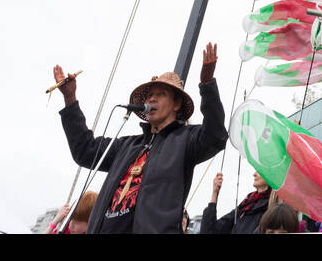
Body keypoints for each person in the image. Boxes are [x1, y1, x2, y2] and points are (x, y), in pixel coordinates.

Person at [54, 43, 225, 234]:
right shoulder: (126, 145)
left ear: (177, 104)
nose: (152, 99)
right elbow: (85, 151)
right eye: (150, 95)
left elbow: (215, 136)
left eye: (161, 94)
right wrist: (70, 99)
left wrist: (207, 84)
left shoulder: (186, 140)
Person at [201, 170, 271, 234]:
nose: (254, 174)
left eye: (259, 171)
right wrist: (215, 193)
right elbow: (210, 231)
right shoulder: (246, 204)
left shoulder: (274, 205)